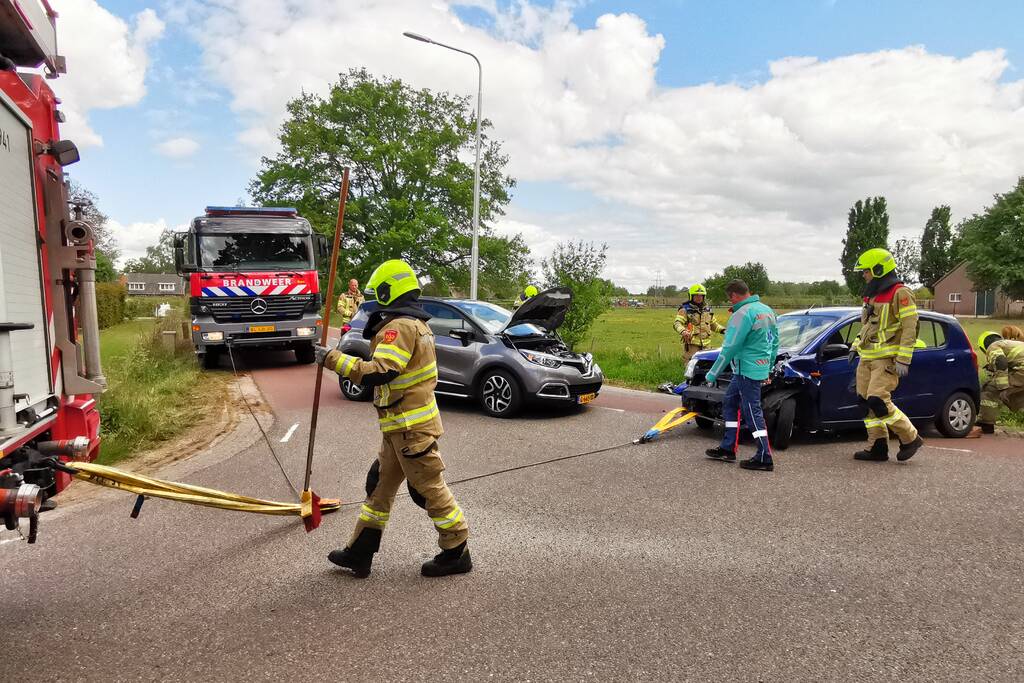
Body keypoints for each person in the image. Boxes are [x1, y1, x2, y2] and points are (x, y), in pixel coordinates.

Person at [314, 260, 471, 578]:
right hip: (400, 429)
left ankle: (457, 551)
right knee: (378, 489)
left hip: (410, 430)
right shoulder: (418, 325)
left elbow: (381, 371)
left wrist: (333, 359)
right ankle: (360, 552)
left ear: (389, 291)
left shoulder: (399, 327)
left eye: (378, 292)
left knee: (429, 489)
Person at [847, 248, 923, 462]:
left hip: (886, 359)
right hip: (867, 356)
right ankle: (877, 446)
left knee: (877, 400)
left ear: (879, 269)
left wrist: (903, 359)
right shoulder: (872, 295)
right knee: (864, 401)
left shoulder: (901, 293)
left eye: (866, 271)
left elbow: (910, 328)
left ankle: (910, 437)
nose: (864, 275)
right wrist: (854, 346)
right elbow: (868, 326)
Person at [703, 279, 779, 471]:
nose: (731, 303)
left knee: (752, 411)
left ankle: (764, 456)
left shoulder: (742, 313)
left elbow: (730, 347)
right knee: (730, 402)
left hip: (746, 369)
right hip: (752, 369)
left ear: (734, 295)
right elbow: (775, 342)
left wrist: (712, 374)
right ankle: (728, 448)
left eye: (730, 299)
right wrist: (768, 367)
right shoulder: (767, 310)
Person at [969, 331, 1024, 437]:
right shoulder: (1011, 344)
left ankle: (986, 424)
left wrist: (1003, 388)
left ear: (983, 347)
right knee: (1018, 394)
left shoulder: (993, 346)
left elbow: (1000, 361)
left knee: (990, 389)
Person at [673, 284, 725, 365]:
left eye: (701, 296)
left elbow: (713, 324)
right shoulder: (685, 309)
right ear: (691, 296)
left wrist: (723, 330)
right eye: (696, 296)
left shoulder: (707, 309)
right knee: (691, 369)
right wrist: (683, 331)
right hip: (692, 346)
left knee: (706, 368)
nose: (699, 298)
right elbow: (677, 323)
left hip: (707, 346)